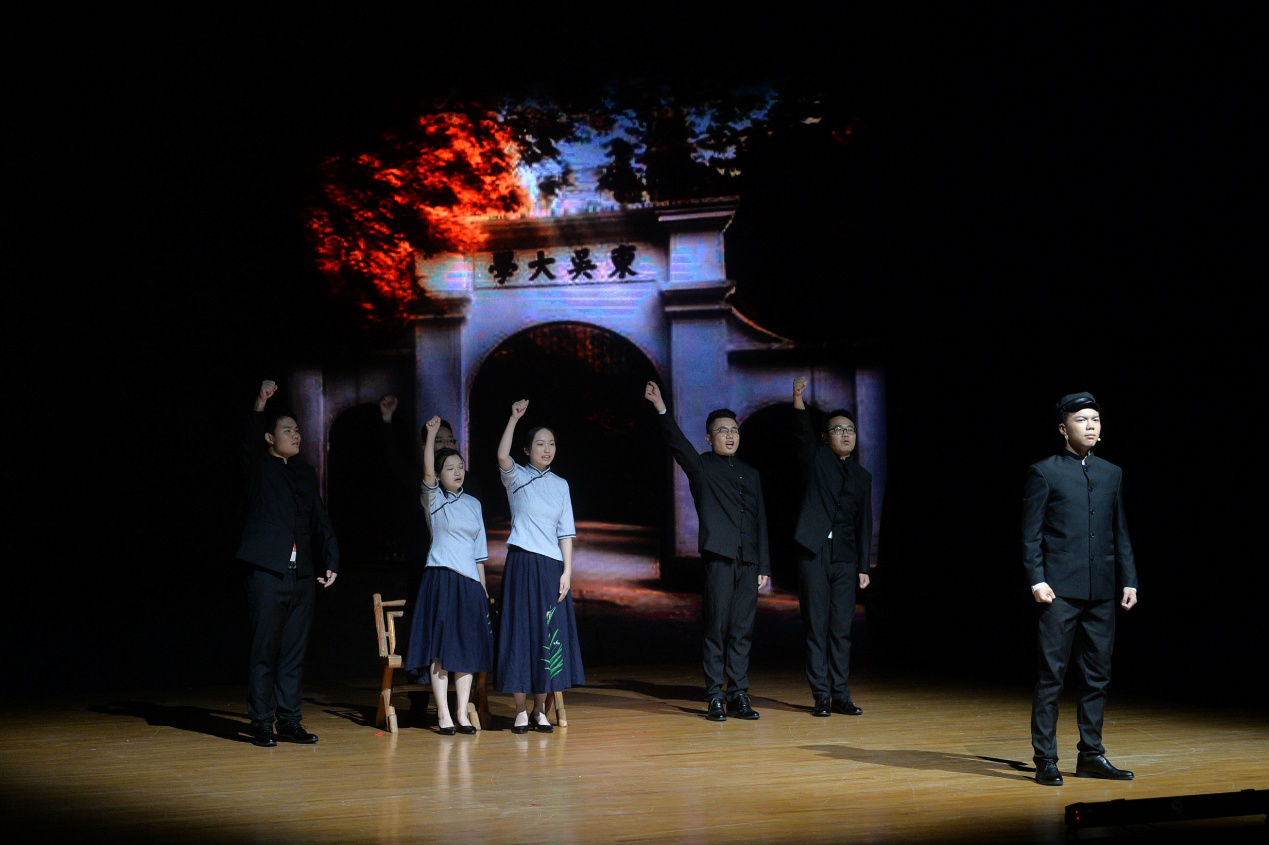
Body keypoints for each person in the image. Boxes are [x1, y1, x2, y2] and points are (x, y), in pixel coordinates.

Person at [1024, 392, 1138, 786]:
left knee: (1097, 676)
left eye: (1095, 419)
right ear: (1063, 428)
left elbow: (1120, 530)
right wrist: (1037, 579)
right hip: (1058, 591)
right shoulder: (1045, 472)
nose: (1090, 426)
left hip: (1101, 590)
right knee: (1051, 676)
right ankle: (1045, 758)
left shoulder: (1111, 472)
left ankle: (1091, 754)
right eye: (1081, 419)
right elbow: (1031, 533)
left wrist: (1129, 579)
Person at [643, 381, 769, 722]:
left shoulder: (751, 474)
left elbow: (760, 520)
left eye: (734, 430)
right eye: (722, 431)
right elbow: (677, 443)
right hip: (719, 558)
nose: (730, 436)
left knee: (742, 630)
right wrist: (660, 407)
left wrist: (764, 565)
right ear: (709, 438)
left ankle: (738, 693)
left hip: (749, 560)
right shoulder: (702, 467)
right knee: (717, 628)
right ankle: (715, 695)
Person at [237, 379, 339, 747]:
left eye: (297, 430)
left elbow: (320, 518)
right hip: (267, 571)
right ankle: (262, 722)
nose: (296, 435)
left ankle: (290, 720)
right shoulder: (259, 467)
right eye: (287, 430)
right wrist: (260, 402)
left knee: (294, 652)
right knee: (264, 650)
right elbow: (248, 440)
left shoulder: (305, 472)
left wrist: (331, 558)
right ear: (269, 438)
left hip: (302, 574)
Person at [495, 399, 585, 733]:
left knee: (549, 634)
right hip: (522, 563)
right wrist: (513, 418)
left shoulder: (561, 485)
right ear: (527, 449)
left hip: (551, 568)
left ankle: (539, 709)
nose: (547, 450)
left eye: (551, 444)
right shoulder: (516, 476)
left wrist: (567, 571)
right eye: (540, 444)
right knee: (521, 632)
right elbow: (502, 456)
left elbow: (566, 532)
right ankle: (520, 710)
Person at [403, 416, 493, 735]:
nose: (457, 472)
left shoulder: (473, 504)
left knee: (466, 650)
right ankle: (443, 714)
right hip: (441, 579)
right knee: (441, 650)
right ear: (440, 476)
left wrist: (482, 590)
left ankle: (462, 713)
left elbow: (479, 554)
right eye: (450, 468)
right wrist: (430, 436)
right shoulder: (434, 500)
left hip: (469, 584)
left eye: (460, 466)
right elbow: (427, 472)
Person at [790, 376, 872, 717]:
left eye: (850, 429)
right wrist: (798, 399)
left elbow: (864, 524)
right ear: (826, 437)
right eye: (838, 429)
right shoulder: (817, 459)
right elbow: (803, 434)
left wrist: (864, 566)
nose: (846, 434)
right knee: (816, 627)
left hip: (845, 558)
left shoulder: (862, 477)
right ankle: (820, 695)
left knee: (841, 629)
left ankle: (841, 693)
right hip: (814, 552)